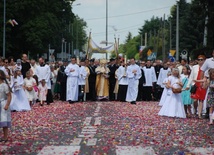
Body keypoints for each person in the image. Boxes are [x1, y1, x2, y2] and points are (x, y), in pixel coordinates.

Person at [0, 70, 12, 142]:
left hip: (3, 103)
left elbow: (9, 96)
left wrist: (7, 104)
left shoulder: (4, 85)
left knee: (4, 120)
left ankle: (5, 136)